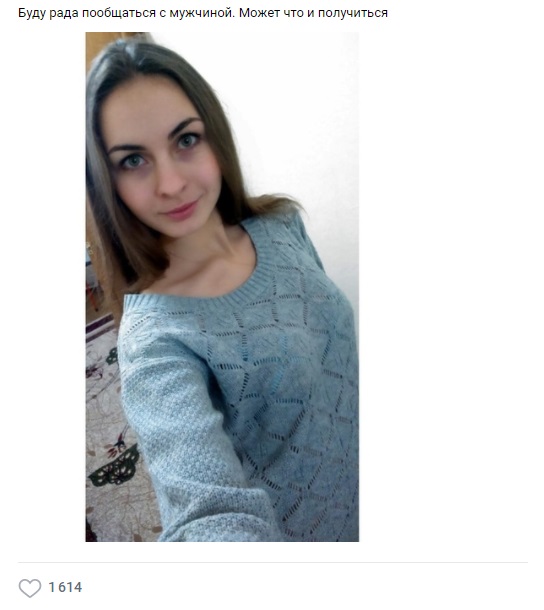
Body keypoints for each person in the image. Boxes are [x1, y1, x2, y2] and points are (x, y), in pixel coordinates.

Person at [86, 38, 359, 542]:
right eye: (133, 160)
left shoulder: (282, 224)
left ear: (215, 136)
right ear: (107, 182)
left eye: (186, 140)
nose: (171, 183)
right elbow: (206, 512)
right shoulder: (155, 342)